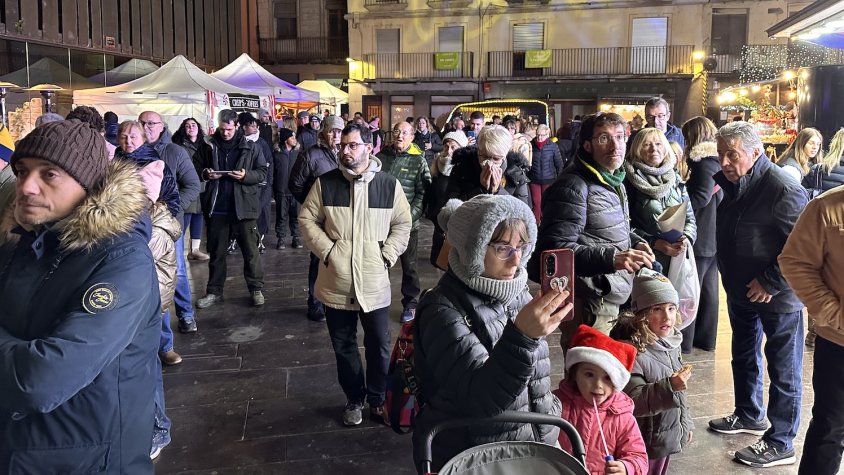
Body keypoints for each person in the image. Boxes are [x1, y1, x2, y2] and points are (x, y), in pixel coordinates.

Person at [0, 119, 160, 473]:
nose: (26, 186)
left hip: (85, 458)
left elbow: (40, 380)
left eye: (50, 174)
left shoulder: (120, 258)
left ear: (87, 187)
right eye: (22, 171)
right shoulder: (24, 242)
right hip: (24, 448)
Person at [413, 195, 572, 472]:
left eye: (521, 247)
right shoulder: (441, 310)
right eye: (502, 248)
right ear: (470, 248)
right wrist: (522, 336)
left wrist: (549, 416)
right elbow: (480, 400)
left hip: (535, 445)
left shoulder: (517, 293)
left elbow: (536, 379)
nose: (516, 261)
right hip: (481, 459)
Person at [707, 121, 807, 468]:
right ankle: (749, 414)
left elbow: (802, 247)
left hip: (777, 297)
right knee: (744, 355)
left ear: (755, 152)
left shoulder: (782, 187)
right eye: (720, 154)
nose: (724, 162)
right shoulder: (736, 184)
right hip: (741, 291)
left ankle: (781, 441)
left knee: (784, 369)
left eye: (732, 154)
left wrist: (770, 281)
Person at [298, 123, 411, 427]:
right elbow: (307, 219)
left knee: (379, 343)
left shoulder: (389, 185)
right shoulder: (326, 183)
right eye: (342, 145)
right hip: (336, 281)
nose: (345, 151)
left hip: (374, 279)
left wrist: (386, 255)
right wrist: (330, 251)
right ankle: (354, 398)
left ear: (369, 147)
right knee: (344, 345)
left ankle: (376, 398)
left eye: (352, 145)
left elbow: (403, 224)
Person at [529, 112, 654, 348]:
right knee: (589, 376)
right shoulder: (574, 186)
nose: (616, 145)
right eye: (604, 138)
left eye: (620, 136)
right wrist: (612, 258)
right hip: (590, 299)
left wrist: (635, 240)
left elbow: (606, 227)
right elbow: (556, 250)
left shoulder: (611, 178)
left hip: (613, 292)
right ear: (587, 145)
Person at [779, 185, 844, 475]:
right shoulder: (827, 207)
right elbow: (795, 261)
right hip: (840, 344)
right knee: (830, 428)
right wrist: (833, 313)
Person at [610, 269, 694, 475]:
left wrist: (686, 423)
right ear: (641, 314)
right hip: (644, 440)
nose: (667, 316)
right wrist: (670, 387)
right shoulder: (633, 353)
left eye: (672, 308)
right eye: (657, 309)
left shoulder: (670, 344)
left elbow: (680, 393)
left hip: (665, 434)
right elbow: (633, 401)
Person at [115, 120, 184, 366]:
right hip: (120, 233)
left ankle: (165, 345)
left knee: (158, 288)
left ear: (144, 139)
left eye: (134, 136)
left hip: (151, 234)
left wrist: (153, 216)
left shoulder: (155, 163)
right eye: (123, 135)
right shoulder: (114, 162)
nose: (128, 140)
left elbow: (173, 199)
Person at [193, 109, 268, 308]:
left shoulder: (251, 147)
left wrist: (245, 176)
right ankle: (214, 291)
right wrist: (206, 173)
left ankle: (256, 289)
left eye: (228, 129)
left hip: (244, 208)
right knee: (217, 253)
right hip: (218, 207)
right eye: (222, 129)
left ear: (237, 126)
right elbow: (196, 166)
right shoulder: (208, 145)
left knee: (251, 252)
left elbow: (262, 173)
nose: (225, 133)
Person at [553, 325, 648, 475]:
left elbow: (639, 457)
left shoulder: (622, 417)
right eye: (589, 375)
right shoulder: (556, 404)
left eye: (607, 378)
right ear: (575, 374)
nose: (598, 385)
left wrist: (626, 467)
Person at [139, 111, 200, 337]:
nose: (147, 127)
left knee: (178, 271)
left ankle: (185, 313)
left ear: (161, 126)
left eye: (151, 123)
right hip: (140, 225)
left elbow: (193, 185)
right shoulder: (132, 152)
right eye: (142, 123)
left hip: (169, 224)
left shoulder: (175, 152)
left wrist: (171, 209)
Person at [135, 159, 181, 460]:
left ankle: (157, 428)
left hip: (144, 303)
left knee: (144, 361)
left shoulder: (151, 225)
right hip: (143, 302)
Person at [289, 115, 345, 322]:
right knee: (319, 259)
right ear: (323, 132)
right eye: (332, 131)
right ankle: (315, 303)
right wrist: (311, 205)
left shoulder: (346, 152)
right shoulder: (311, 155)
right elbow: (295, 184)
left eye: (339, 131)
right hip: (321, 217)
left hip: (342, 216)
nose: (336, 136)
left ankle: (336, 299)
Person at [623, 128, 696, 281]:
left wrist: (687, 239)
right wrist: (654, 242)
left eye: (658, 144)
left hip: (676, 259)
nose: (654, 149)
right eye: (646, 145)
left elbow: (690, 217)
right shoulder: (627, 180)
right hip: (643, 258)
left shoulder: (674, 178)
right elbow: (621, 227)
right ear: (637, 149)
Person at [377, 121, 432, 322]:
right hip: (381, 223)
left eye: (405, 132)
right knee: (378, 263)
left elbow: (423, 194)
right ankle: (376, 302)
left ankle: (411, 303)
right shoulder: (382, 157)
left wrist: (409, 217)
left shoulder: (419, 160)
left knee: (409, 266)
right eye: (397, 131)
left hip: (409, 225)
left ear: (412, 136)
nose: (400, 135)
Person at [680, 117, 723, 352]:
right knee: (708, 290)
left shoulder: (703, 162)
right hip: (713, 233)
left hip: (703, 233)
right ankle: (705, 340)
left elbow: (700, 197)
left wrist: (680, 202)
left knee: (691, 289)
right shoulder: (716, 160)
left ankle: (686, 341)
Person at [446, 124, 530, 206]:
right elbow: (450, 208)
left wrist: (498, 191)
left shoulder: (516, 174)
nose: (490, 163)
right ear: (478, 151)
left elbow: (524, 214)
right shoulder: (462, 169)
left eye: (496, 159)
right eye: (485, 156)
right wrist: (481, 191)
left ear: (504, 156)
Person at [171, 117, 211, 262]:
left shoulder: (205, 145)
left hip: (202, 185)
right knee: (184, 217)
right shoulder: (178, 145)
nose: (191, 127)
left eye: (193, 125)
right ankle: (177, 251)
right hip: (185, 186)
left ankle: (194, 250)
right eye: (187, 125)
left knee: (198, 216)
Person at [426, 130, 467, 267]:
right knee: (436, 260)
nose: (448, 151)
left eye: (453, 147)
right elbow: (432, 194)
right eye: (446, 146)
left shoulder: (463, 170)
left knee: (452, 263)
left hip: (456, 223)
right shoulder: (436, 166)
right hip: (438, 221)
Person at [239, 112, 275, 255]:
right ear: (243, 127)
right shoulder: (239, 142)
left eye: (255, 125)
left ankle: (260, 239)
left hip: (262, 184)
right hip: (244, 183)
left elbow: (269, 163)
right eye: (251, 125)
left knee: (261, 212)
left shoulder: (261, 143)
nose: (255, 128)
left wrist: (267, 181)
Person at [527, 123, 564, 223]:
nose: (539, 137)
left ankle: (547, 222)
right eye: (537, 134)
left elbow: (559, 164)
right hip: (534, 179)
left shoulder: (553, 146)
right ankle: (536, 225)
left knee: (547, 202)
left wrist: (559, 179)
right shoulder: (530, 145)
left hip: (549, 179)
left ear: (547, 135)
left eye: (542, 135)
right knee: (536, 203)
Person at [273, 128, 302, 249]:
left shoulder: (298, 153)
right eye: (292, 137)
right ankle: (281, 238)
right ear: (286, 140)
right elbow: (273, 172)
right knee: (281, 216)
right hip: (281, 190)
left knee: (295, 216)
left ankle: (296, 237)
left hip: (295, 191)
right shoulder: (276, 154)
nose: (295, 140)